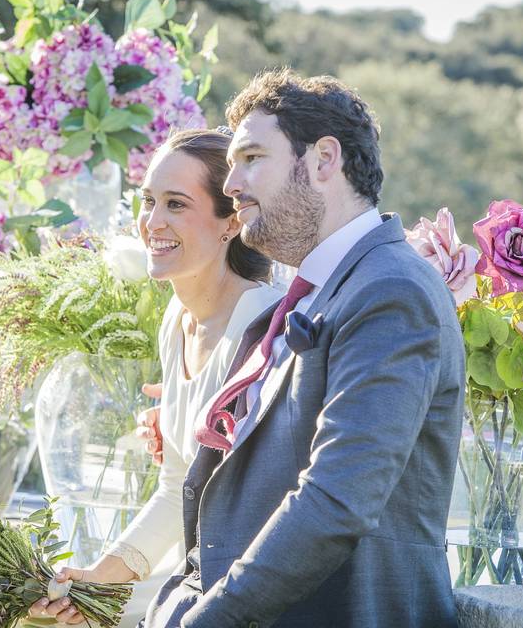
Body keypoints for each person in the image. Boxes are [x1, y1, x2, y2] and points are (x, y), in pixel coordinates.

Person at [141, 69, 466, 628]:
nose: (231, 184)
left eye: (251, 158)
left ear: (323, 160)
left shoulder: (391, 290)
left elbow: (338, 499)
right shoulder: (313, 293)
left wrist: (210, 620)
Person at [28, 129, 283, 625]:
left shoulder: (262, 325)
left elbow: (264, 510)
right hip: (200, 581)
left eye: (176, 204)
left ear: (230, 222)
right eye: (149, 201)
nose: (152, 223)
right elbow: (175, 490)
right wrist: (95, 581)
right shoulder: (177, 320)